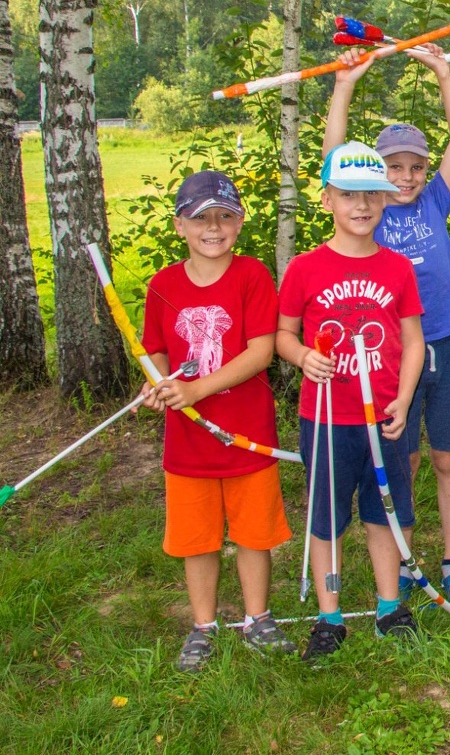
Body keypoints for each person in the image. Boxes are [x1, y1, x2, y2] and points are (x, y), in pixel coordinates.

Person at [323, 43, 450, 608]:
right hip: (391, 355)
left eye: (415, 166)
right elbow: (335, 156)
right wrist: (344, 85)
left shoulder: (434, 200)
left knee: (447, 457)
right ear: (374, 174)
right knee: (403, 459)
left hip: (444, 343)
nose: (407, 177)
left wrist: (444, 74)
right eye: (394, 167)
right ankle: (406, 562)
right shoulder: (367, 212)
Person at [140, 170, 295, 672]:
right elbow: (155, 350)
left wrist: (195, 390)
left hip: (247, 435)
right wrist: (157, 382)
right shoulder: (163, 284)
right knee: (197, 538)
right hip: (188, 445)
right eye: (200, 218)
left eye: (224, 217)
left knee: (253, 533)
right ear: (179, 225)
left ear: (239, 223)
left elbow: (261, 351)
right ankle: (203, 625)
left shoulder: (251, 275)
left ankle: (257, 618)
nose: (213, 228)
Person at [276, 142, 426, 659]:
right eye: (348, 194)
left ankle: (389, 608)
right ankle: (329, 616)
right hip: (326, 418)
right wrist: (302, 356)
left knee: (386, 511)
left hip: (384, 416)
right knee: (328, 516)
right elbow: (283, 335)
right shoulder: (305, 268)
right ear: (327, 200)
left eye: (371, 195)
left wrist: (403, 400)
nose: (361, 205)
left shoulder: (397, 268)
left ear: (385, 199)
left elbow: (413, 341)